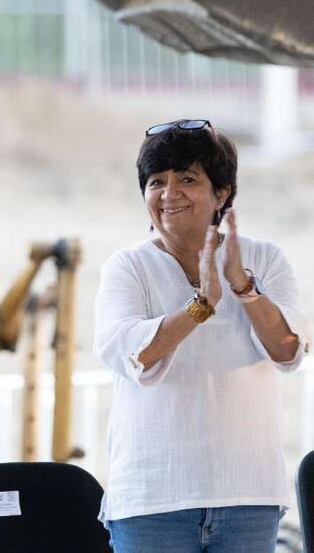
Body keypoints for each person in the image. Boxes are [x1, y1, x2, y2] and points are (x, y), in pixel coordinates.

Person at [94, 119, 311, 553]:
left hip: (248, 495)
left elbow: (289, 349)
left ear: (222, 193)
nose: (168, 194)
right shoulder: (127, 267)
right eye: (156, 182)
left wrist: (244, 289)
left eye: (187, 179)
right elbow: (130, 354)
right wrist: (201, 305)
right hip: (152, 498)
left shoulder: (265, 258)